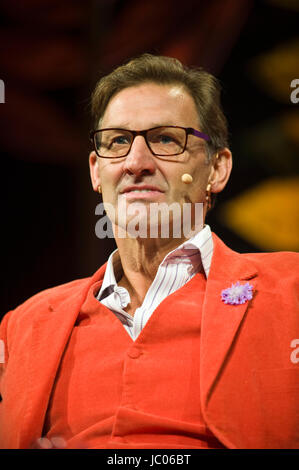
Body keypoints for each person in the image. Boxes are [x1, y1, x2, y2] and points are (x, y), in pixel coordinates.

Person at [0, 54, 298, 450]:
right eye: (118, 141)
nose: (136, 163)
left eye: (165, 139)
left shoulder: (292, 291)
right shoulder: (25, 324)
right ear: (95, 171)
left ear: (218, 169)